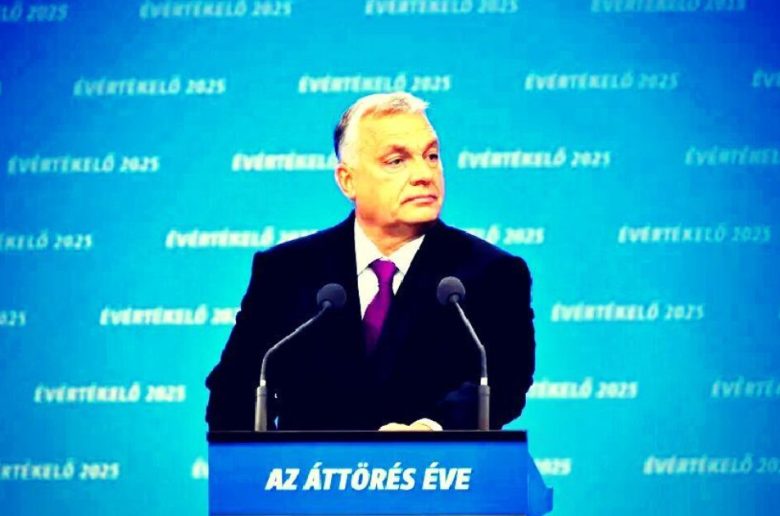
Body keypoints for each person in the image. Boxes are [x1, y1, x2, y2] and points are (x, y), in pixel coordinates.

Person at [205, 92, 535, 431]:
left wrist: (431, 431)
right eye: (397, 161)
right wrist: (269, 459)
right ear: (348, 180)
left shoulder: (493, 274)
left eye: (431, 156)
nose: (424, 174)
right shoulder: (286, 272)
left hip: (438, 463)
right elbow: (234, 391)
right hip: (312, 466)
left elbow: (503, 382)